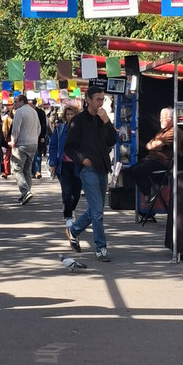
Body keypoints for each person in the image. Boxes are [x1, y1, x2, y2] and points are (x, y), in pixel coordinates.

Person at [64, 86, 117, 262]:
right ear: (88, 100)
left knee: (97, 209)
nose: (100, 103)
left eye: (103, 99)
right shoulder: (78, 121)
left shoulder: (103, 119)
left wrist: (107, 122)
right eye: (98, 99)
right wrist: (82, 159)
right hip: (88, 169)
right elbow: (69, 147)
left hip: (103, 167)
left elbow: (112, 140)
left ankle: (74, 229)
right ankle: (101, 248)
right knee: (98, 213)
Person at [129, 107, 174, 205]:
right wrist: (154, 144)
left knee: (138, 170)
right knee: (130, 170)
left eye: (164, 117)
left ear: (171, 119)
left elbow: (154, 145)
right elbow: (149, 145)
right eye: (160, 117)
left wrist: (154, 144)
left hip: (161, 161)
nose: (161, 119)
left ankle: (148, 194)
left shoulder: (172, 132)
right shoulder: (161, 132)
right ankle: (151, 189)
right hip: (151, 159)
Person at [48, 105, 82, 222]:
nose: (70, 116)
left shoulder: (81, 130)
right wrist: (52, 163)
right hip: (64, 165)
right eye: (68, 114)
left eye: (72, 114)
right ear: (65, 116)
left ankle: (70, 209)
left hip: (78, 165)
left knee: (76, 194)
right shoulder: (60, 129)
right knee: (67, 192)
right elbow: (53, 146)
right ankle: (68, 217)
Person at [8, 94, 40, 204]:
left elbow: (15, 128)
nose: (14, 104)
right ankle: (26, 193)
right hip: (33, 144)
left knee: (16, 169)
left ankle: (25, 191)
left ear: (22, 101)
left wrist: (13, 141)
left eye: (16, 102)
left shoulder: (20, 112)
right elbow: (39, 128)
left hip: (22, 144)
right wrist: (35, 138)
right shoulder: (33, 111)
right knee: (27, 170)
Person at [31, 98, 50, 178]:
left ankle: (38, 171)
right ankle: (32, 172)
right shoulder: (27, 112)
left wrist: (43, 136)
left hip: (39, 136)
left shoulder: (41, 113)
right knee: (31, 155)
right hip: (29, 136)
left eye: (31, 104)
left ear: (34, 104)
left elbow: (43, 125)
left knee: (38, 154)